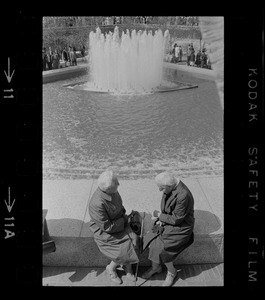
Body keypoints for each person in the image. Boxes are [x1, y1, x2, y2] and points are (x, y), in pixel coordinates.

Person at [141, 171, 195, 286]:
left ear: (169, 186)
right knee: (150, 238)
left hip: (181, 226)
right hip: (170, 221)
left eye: (161, 188)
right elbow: (168, 208)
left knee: (162, 246)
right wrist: (161, 218)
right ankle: (156, 268)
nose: (159, 190)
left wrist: (160, 216)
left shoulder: (183, 195)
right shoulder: (170, 187)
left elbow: (176, 219)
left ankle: (172, 271)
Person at [88, 169, 139, 284]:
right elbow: (107, 227)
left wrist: (125, 217)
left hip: (119, 222)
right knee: (124, 248)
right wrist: (124, 219)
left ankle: (126, 265)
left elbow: (120, 206)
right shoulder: (97, 203)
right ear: (107, 189)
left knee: (135, 240)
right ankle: (111, 268)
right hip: (106, 230)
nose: (118, 186)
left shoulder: (112, 191)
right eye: (115, 186)